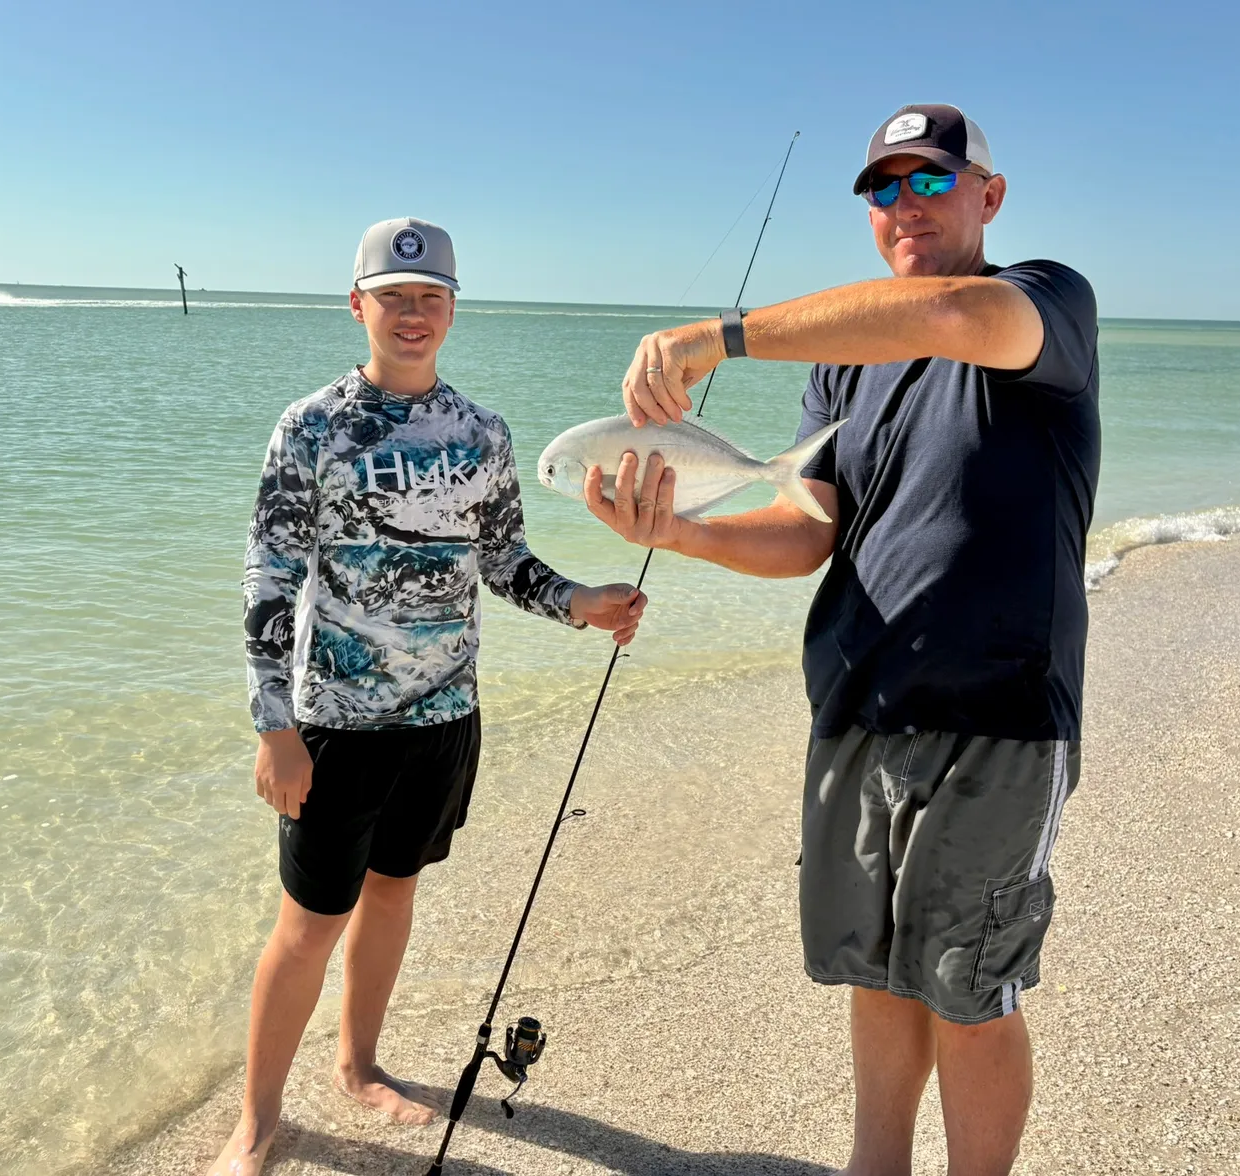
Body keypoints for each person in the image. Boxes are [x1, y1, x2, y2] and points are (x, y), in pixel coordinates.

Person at [584, 105, 1099, 1175]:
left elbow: (952, 316)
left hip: (998, 716)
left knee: (967, 987)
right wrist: (676, 531)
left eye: (931, 182)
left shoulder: (1044, 301)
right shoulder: (845, 374)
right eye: (883, 189)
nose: (904, 205)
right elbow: (813, 528)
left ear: (988, 197)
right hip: (857, 705)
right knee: (874, 972)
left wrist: (719, 338)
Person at [211, 218, 649, 1176]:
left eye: (432, 299)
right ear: (358, 303)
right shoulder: (313, 426)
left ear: (453, 310)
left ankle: (359, 1066)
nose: (414, 315)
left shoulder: (483, 433)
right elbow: (269, 575)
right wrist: (273, 723)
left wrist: (581, 603)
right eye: (395, 297)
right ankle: (255, 1120)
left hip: (446, 718)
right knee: (308, 924)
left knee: (394, 892)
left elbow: (502, 564)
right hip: (334, 725)